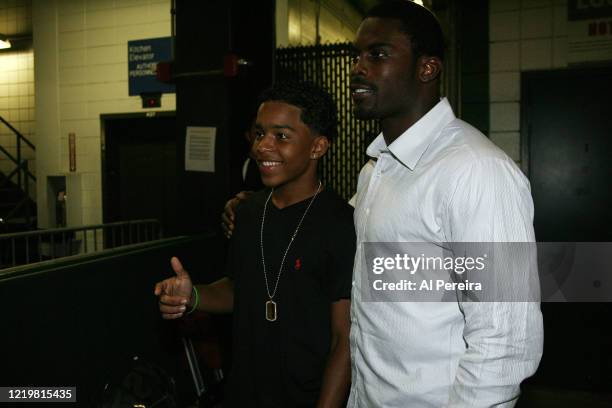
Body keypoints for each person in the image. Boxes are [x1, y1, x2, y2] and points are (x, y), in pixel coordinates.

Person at [223, 1, 544, 407]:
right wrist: (256, 207)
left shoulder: (477, 171)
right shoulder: (377, 171)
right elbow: (324, 223)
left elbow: (507, 342)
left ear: (427, 68)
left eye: (377, 54)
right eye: (357, 55)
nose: (358, 68)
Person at [155, 81, 355, 408]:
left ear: (318, 147)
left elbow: (343, 338)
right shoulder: (247, 213)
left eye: (282, 136)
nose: (263, 146)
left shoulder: (341, 224)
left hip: (306, 397)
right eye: (260, 133)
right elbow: (240, 290)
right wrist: (192, 297)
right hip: (244, 393)